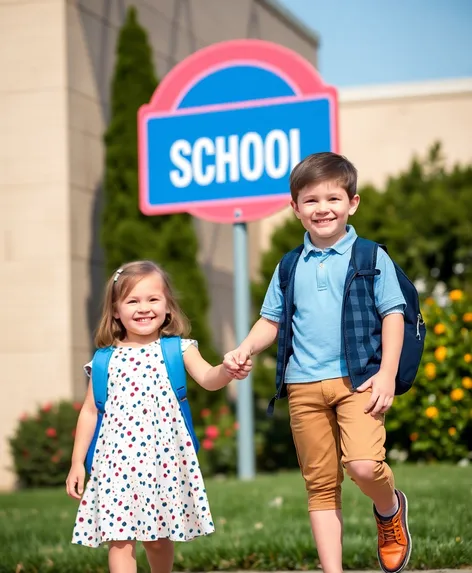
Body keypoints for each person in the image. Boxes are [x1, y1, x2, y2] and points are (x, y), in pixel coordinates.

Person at [223, 152, 411, 573]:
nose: (322, 208)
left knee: (363, 466)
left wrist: (386, 375)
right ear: (295, 209)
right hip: (303, 385)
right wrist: (245, 348)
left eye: (332, 199)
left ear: (353, 203)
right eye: (310, 200)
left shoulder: (369, 256)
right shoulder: (289, 266)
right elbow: (271, 319)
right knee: (321, 487)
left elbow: (394, 315)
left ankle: (389, 507)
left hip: (360, 382)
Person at [66, 260, 250, 573]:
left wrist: (227, 371)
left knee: (158, 537)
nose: (144, 308)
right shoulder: (104, 360)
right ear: (115, 311)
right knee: (119, 537)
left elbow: (208, 378)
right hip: (115, 464)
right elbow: (90, 410)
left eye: (153, 299)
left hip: (161, 461)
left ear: (167, 308)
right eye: (132, 301)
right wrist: (76, 463)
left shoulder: (177, 349)